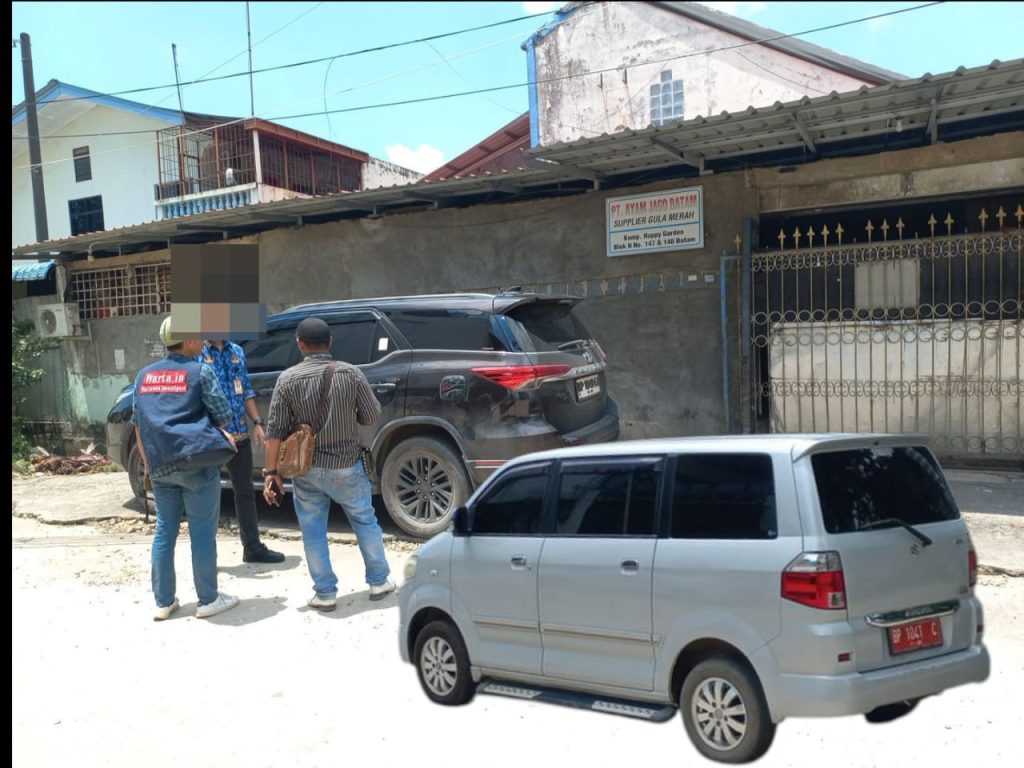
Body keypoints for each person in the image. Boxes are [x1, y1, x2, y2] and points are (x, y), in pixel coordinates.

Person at [262, 316, 395, 612]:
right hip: (346, 464)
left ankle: (325, 593)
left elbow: (275, 432)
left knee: (312, 531)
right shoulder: (350, 373)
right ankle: (378, 581)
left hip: (305, 469)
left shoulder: (287, 380)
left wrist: (271, 472)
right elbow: (372, 416)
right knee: (364, 520)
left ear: (300, 344)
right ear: (330, 342)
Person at [132, 316, 240, 621]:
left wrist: (148, 464)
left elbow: (138, 424)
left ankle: (163, 601)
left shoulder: (144, 376)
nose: (204, 341)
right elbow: (223, 415)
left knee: (164, 533)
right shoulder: (200, 371)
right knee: (202, 534)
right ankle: (208, 599)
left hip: (160, 464)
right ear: (189, 341)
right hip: (196, 463)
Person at [199, 338, 284, 564]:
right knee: (207, 495)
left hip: (240, 433)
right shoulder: (197, 351)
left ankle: (252, 547)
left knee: (245, 492)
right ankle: (206, 556)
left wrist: (257, 422)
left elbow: (245, 388)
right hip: (212, 437)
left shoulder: (236, 350)